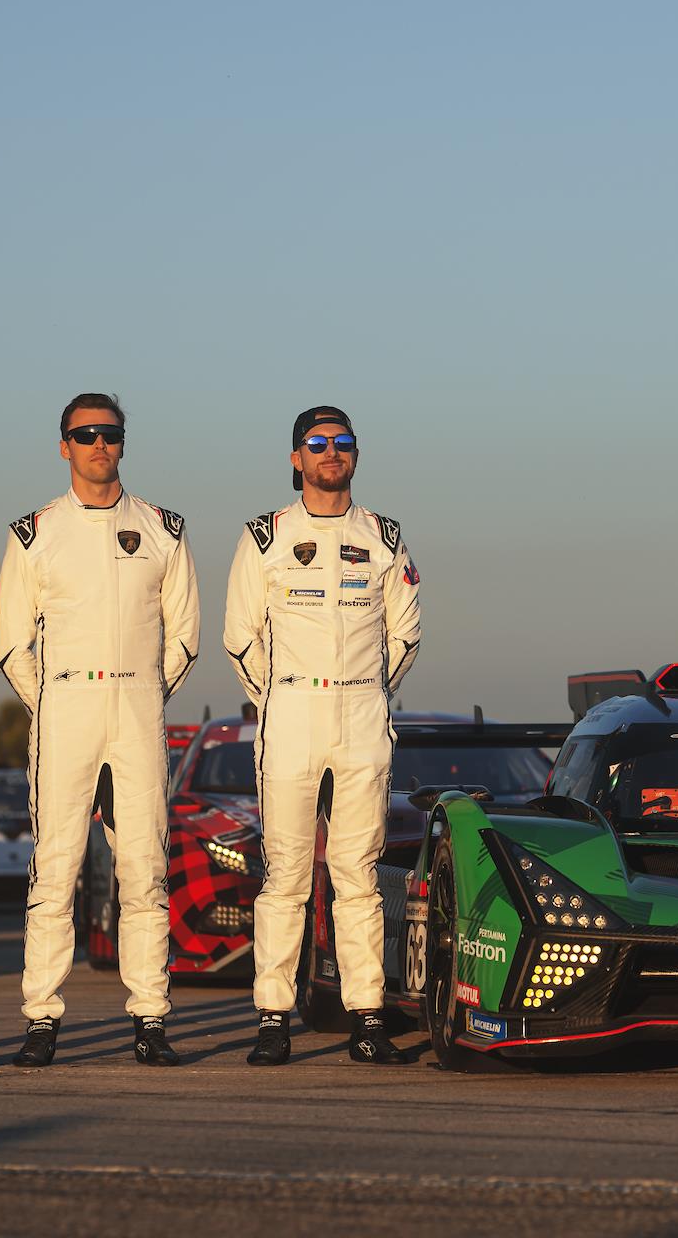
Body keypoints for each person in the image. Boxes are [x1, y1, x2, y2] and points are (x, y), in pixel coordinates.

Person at [0, 394, 201, 1068]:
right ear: (64, 446)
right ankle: (41, 1020)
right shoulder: (33, 532)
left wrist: (144, 695)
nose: (98, 444)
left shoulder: (164, 528)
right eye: (85, 434)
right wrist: (54, 702)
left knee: (144, 872)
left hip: (137, 709)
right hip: (66, 709)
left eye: (109, 433)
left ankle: (150, 1018)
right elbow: (10, 644)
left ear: (122, 442)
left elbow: (185, 637)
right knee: (55, 871)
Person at [224, 406, 422, 1066]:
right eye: (317, 442)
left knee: (357, 874)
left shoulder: (384, 536)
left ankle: (367, 1018)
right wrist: (280, 697)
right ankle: (273, 1019)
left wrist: (367, 690)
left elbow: (406, 633)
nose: (330, 451)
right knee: (285, 875)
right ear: (296, 458)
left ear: (355, 455)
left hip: (362, 713)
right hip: (291, 712)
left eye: (342, 442)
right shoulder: (265, 536)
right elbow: (240, 636)